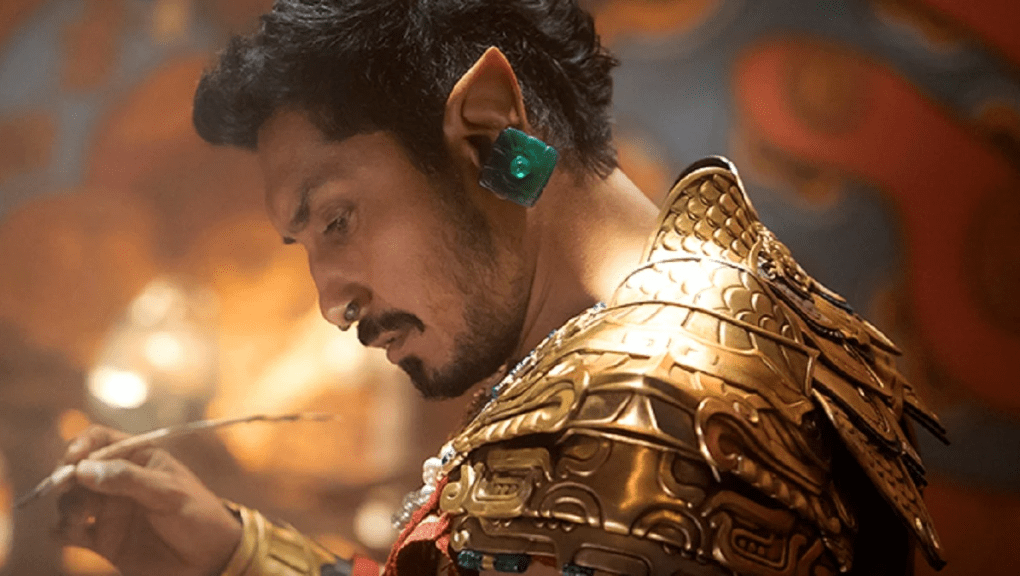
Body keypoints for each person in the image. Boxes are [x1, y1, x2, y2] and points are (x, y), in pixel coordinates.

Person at [53, 1, 948, 575]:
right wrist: (234, 553)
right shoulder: (725, 305)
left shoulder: (637, 411)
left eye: (336, 219)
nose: (332, 302)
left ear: (486, 127)